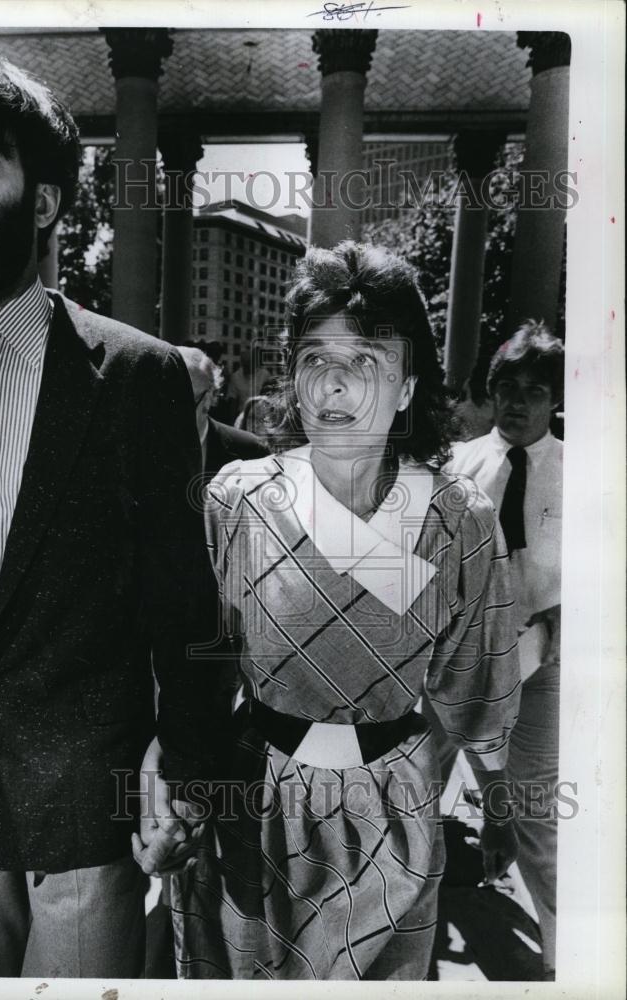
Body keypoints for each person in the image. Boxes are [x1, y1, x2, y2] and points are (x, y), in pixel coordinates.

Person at [0, 47, 221, 979]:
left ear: (49, 201)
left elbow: (184, 606)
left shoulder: (138, 378)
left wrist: (185, 773)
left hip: (88, 820)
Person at [159, 242, 522, 980]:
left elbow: (477, 692)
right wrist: (172, 785)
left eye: (366, 361)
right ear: (292, 376)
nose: (336, 382)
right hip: (251, 805)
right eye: (316, 357)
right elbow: (189, 664)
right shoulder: (239, 498)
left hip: (392, 813)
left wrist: (502, 803)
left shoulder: (458, 518)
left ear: (409, 384)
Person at [440, 321, 564, 978]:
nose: (518, 402)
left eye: (534, 390)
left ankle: (561, 967)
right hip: (453, 664)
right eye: (506, 387)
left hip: (542, 663)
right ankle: (410, 928)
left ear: (553, 400)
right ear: (490, 394)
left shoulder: (584, 472)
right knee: (412, 792)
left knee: (536, 809)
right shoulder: (456, 468)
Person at [176, 346, 270, 479]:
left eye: (184, 404)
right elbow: (232, 401)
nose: (170, 413)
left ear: (212, 397)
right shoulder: (141, 444)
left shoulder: (252, 450)